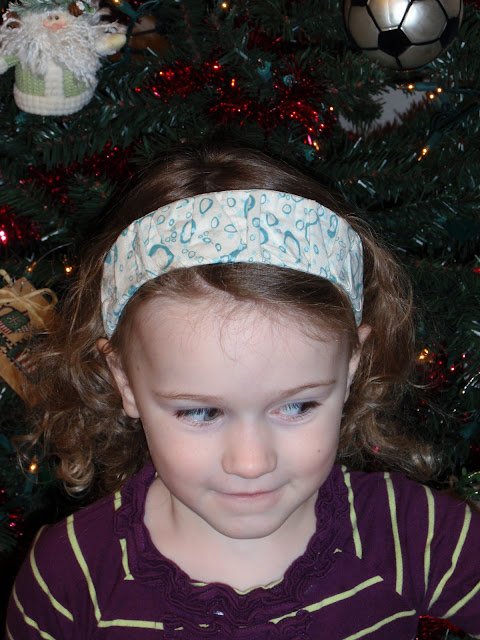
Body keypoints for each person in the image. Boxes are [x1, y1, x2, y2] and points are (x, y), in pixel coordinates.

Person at [6, 146, 480, 639]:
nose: (251, 463)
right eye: (201, 413)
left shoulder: (414, 534)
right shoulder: (68, 578)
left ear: (350, 367)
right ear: (124, 380)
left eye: (296, 405)